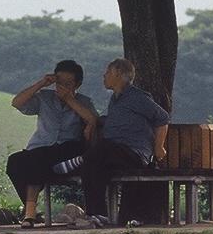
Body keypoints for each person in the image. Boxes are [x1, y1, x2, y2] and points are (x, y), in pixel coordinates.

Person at [49, 58, 169, 225]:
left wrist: (159, 148)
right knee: (91, 166)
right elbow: (111, 121)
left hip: (133, 152)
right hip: (112, 153)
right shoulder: (115, 99)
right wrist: (93, 123)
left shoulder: (137, 97)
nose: (103, 76)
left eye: (107, 73)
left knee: (101, 151)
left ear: (118, 74)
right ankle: (97, 214)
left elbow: (162, 118)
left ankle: (80, 160)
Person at [5, 60, 99, 224]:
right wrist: (41, 83)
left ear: (77, 84)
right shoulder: (45, 98)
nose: (62, 87)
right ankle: (31, 210)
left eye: (68, 83)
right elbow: (17, 103)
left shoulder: (83, 101)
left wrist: (70, 100)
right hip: (40, 149)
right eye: (59, 82)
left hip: (68, 149)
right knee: (14, 162)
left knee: (37, 160)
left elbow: (93, 120)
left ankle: (30, 213)